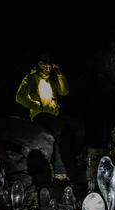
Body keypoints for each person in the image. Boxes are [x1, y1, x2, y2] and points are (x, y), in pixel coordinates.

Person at [15, 53, 84, 182]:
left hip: (54, 115)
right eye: (44, 66)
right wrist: (37, 106)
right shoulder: (31, 78)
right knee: (59, 128)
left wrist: (59, 74)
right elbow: (20, 97)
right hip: (39, 116)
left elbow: (64, 91)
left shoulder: (52, 80)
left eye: (49, 67)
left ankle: (78, 155)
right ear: (38, 65)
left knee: (78, 124)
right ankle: (60, 171)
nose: (47, 69)